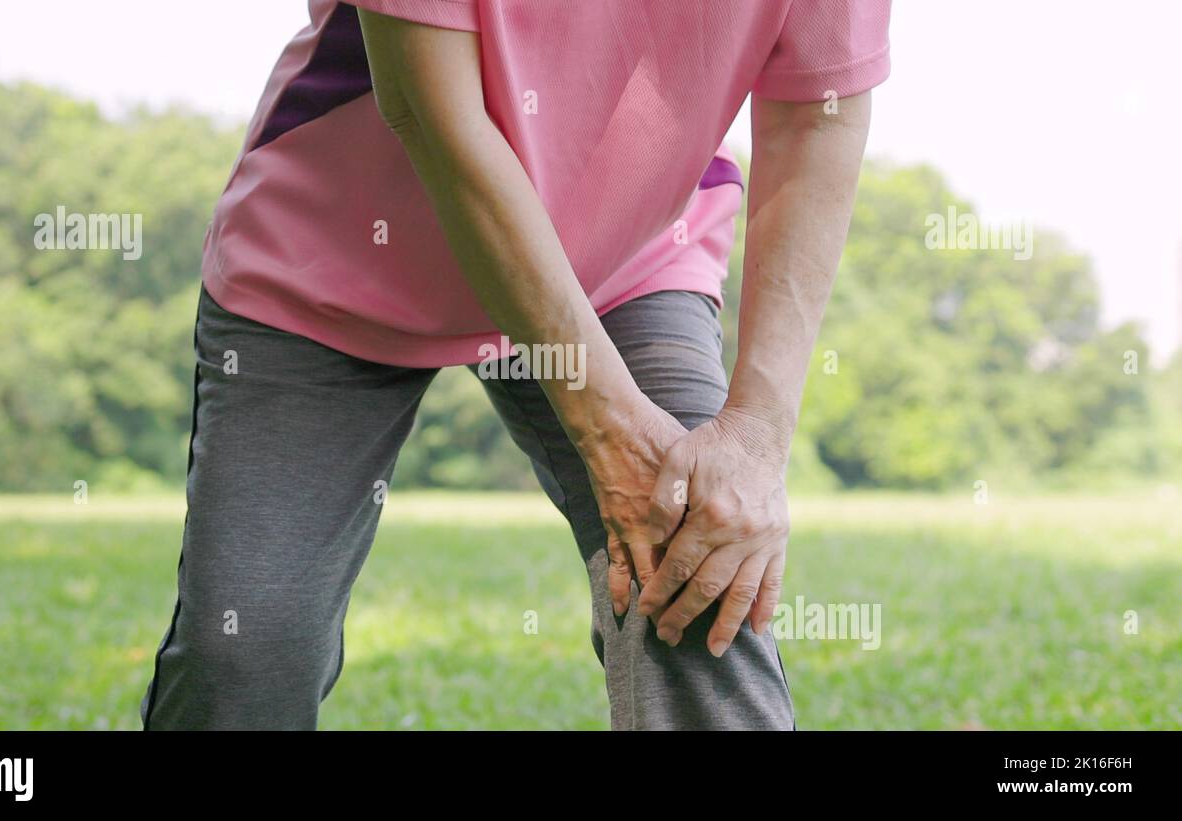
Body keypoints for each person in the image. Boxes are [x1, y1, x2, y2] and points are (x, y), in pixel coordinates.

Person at [142, 0, 891, 730]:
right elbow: (434, 116)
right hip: (335, 255)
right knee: (245, 648)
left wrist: (756, 431)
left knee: (693, 569)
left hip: (624, 260)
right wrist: (611, 426)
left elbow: (817, 109)